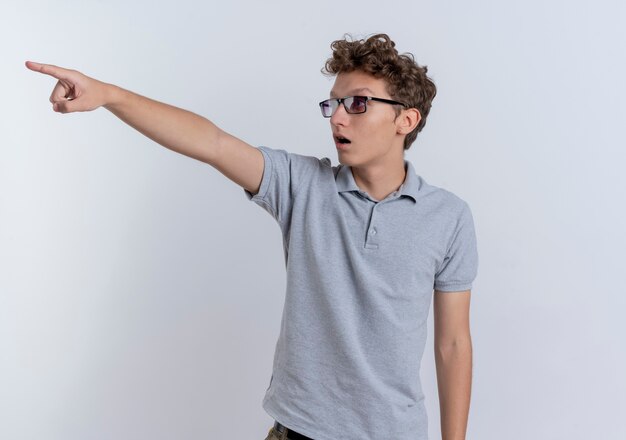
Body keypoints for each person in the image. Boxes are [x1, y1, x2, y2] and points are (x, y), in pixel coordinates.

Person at [27, 33, 478, 440]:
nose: (337, 117)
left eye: (357, 103)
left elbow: (453, 343)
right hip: (297, 429)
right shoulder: (302, 185)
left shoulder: (449, 217)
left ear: (406, 120)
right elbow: (213, 143)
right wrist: (108, 95)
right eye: (333, 103)